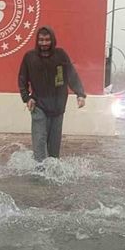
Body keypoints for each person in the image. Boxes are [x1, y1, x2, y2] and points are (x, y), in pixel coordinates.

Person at [18, 26, 86, 162]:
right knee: (40, 141)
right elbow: (22, 79)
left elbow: (71, 74)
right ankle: (40, 172)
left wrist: (80, 93)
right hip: (38, 105)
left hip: (58, 107)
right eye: (41, 40)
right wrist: (27, 98)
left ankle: (52, 172)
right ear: (37, 41)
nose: (44, 43)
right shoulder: (30, 57)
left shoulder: (60, 55)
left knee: (54, 147)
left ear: (52, 40)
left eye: (47, 40)